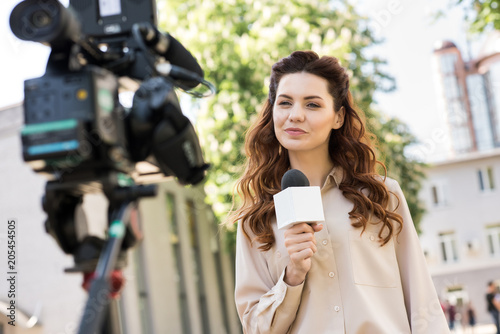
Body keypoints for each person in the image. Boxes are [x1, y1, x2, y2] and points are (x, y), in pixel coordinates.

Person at [231, 50, 449, 333]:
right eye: (285, 103)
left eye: (312, 104)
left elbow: (423, 304)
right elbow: (255, 327)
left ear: (338, 117)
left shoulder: (382, 197)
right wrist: (292, 276)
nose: (295, 115)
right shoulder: (255, 219)